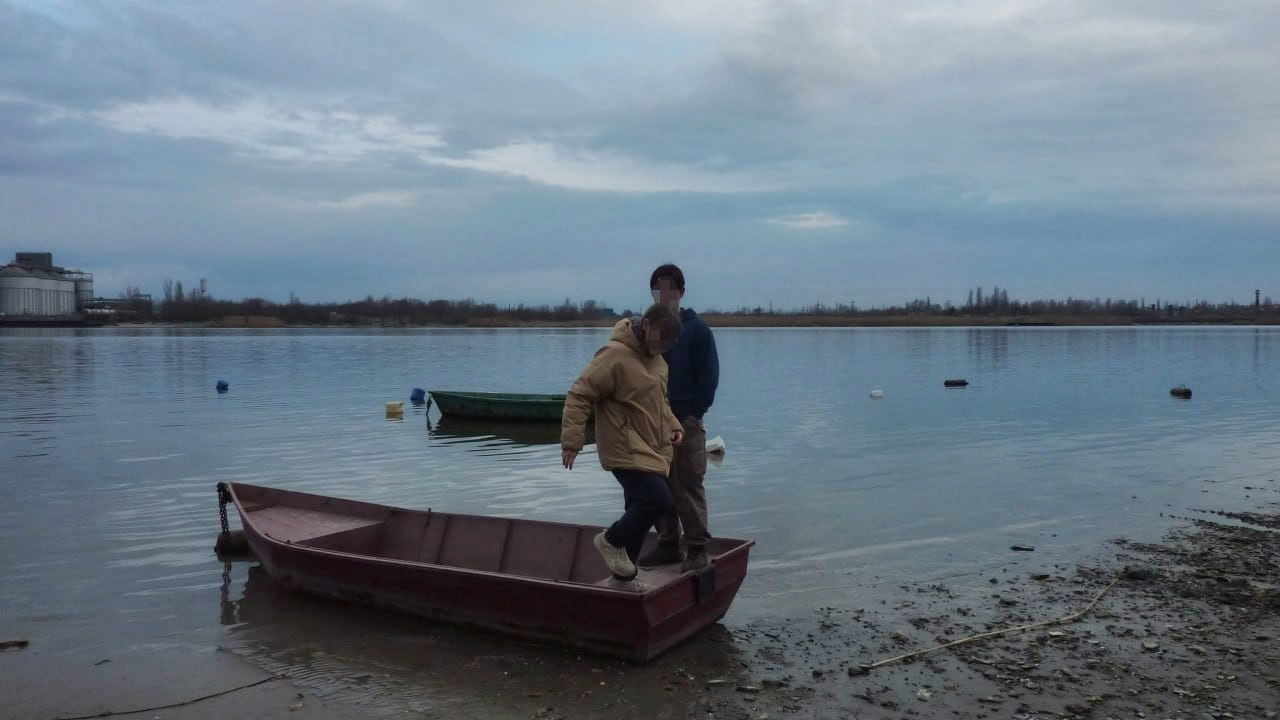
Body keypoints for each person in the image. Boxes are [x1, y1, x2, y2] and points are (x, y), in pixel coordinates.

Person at [561, 303, 686, 581]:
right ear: (647, 326)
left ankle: (624, 582)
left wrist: (673, 426)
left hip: (652, 448)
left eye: (670, 342)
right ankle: (610, 541)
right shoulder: (614, 355)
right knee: (659, 500)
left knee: (637, 516)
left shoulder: (658, 361)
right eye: (662, 338)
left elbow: (660, 403)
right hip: (623, 447)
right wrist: (572, 442)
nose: (664, 346)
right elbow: (579, 395)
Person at [638, 263, 719, 572]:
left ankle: (697, 549)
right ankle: (668, 543)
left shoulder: (698, 331)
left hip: (686, 422)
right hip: (652, 423)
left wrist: (693, 415)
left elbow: (709, 379)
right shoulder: (646, 330)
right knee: (658, 485)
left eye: (670, 290)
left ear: (681, 292)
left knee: (687, 485)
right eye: (658, 290)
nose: (664, 296)